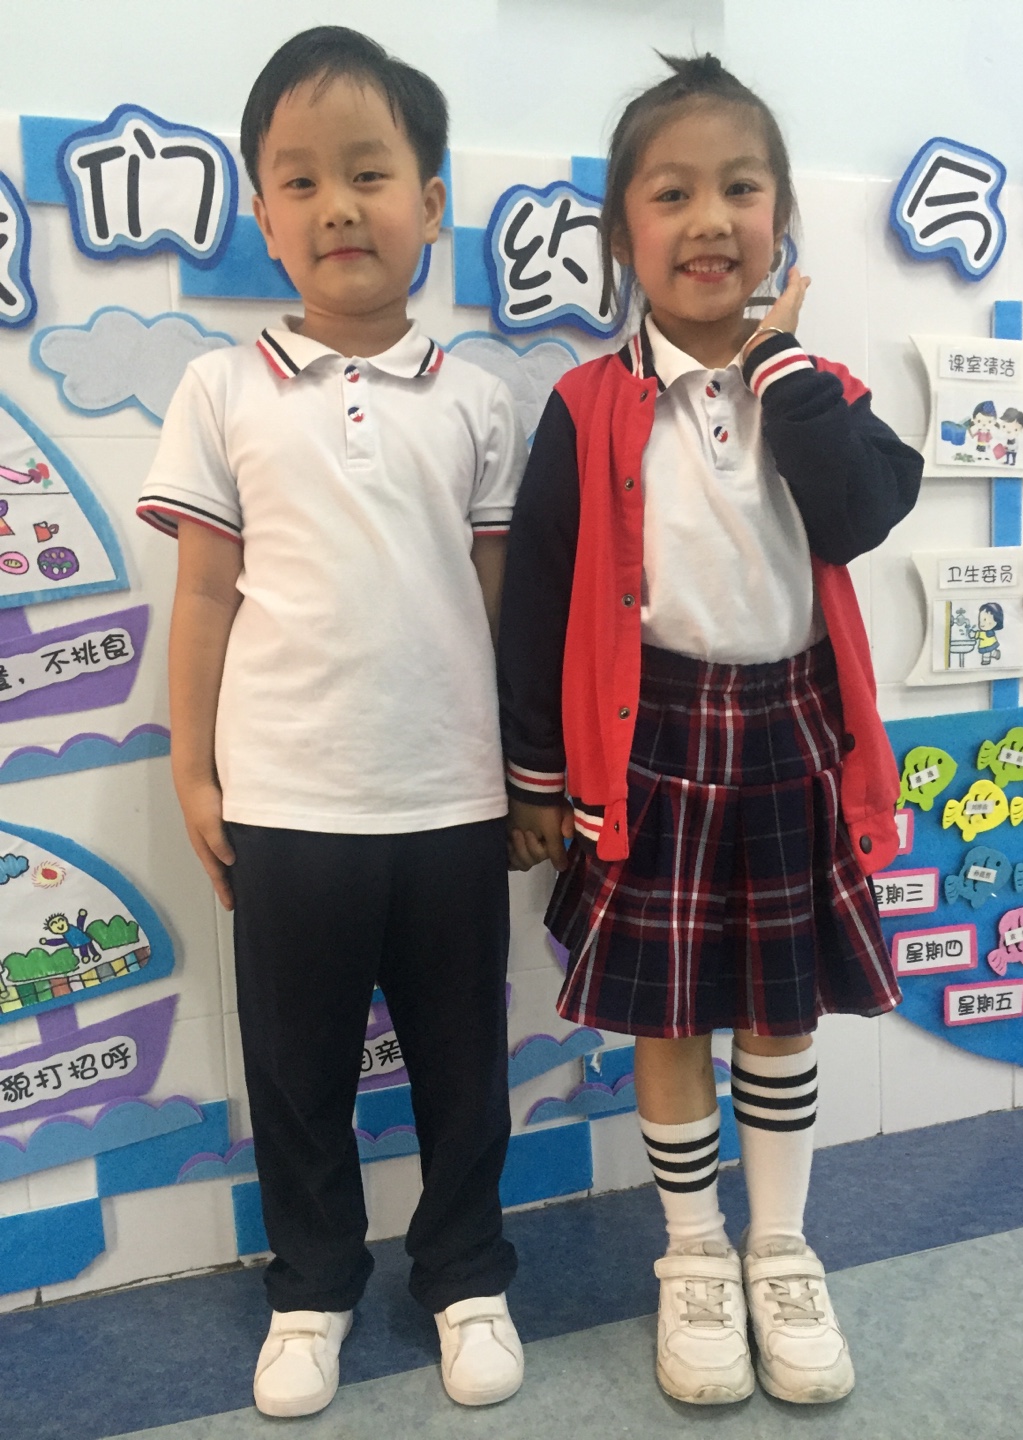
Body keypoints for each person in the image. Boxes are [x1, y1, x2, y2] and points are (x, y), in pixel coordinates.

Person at [499, 53, 922, 1408]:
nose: (709, 219)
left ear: (780, 215)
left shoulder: (818, 386)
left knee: (781, 1011)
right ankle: (693, 1254)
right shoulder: (585, 403)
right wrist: (535, 774)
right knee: (670, 1013)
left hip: (792, 734)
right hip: (651, 745)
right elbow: (541, 594)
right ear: (624, 233)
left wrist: (784, 367)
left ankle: (780, 1248)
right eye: (671, 193)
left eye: (740, 188)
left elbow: (860, 514)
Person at [137, 26, 527, 1420]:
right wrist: (193, 771)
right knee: (297, 1073)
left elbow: (497, 602)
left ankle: (466, 1274)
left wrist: (526, 773)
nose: (338, 206)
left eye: (370, 172)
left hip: (451, 798)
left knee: (462, 1063)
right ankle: (310, 1288)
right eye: (299, 180)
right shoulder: (221, 389)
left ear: (432, 202)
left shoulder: (478, 400)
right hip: (287, 801)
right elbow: (203, 595)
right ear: (262, 214)